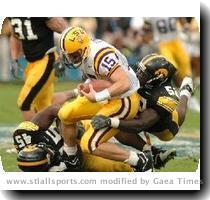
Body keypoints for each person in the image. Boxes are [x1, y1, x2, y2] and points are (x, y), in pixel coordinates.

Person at [57, 27, 153, 172]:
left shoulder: (100, 56)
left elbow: (124, 83)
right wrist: (88, 85)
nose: (71, 58)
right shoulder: (86, 52)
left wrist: (97, 96)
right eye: (69, 55)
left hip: (124, 99)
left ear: (83, 48)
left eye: (74, 55)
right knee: (65, 114)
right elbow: (100, 77)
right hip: (108, 96)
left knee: (89, 144)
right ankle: (71, 158)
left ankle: (140, 160)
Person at [91, 54, 194, 159]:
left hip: (164, 128)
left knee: (180, 112)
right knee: (118, 119)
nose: (138, 74)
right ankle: (152, 152)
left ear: (157, 77)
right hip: (139, 111)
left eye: (143, 73)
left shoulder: (163, 97)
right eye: (139, 70)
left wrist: (109, 121)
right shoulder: (141, 81)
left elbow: (141, 124)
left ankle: (185, 92)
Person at [8, 17, 68, 120]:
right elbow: (15, 36)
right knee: (44, 104)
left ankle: (31, 134)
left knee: (25, 102)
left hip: (47, 60)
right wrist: (14, 59)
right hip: (32, 63)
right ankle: (76, 120)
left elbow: (66, 32)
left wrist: (62, 57)